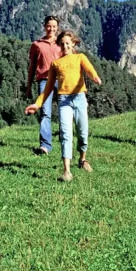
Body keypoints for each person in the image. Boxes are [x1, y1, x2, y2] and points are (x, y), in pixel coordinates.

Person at [25, 31, 102, 182]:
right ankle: (67, 170)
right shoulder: (56, 64)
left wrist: (95, 77)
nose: (65, 46)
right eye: (62, 44)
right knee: (66, 134)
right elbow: (48, 88)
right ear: (59, 46)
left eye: (67, 43)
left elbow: (89, 69)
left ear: (73, 44)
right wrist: (37, 104)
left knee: (82, 133)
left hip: (79, 98)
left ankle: (82, 159)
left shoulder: (80, 57)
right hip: (64, 101)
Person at [26, 15, 62, 155]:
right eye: (49, 26)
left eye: (54, 26)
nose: (51, 29)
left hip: (61, 80)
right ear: (44, 26)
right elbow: (32, 66)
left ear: (57, 28)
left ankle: (65, 140)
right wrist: (29, 85)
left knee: (64, 111)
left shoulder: (62, 43)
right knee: (45, 112)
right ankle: (45, 146)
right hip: (44, 81)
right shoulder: (37, 45)